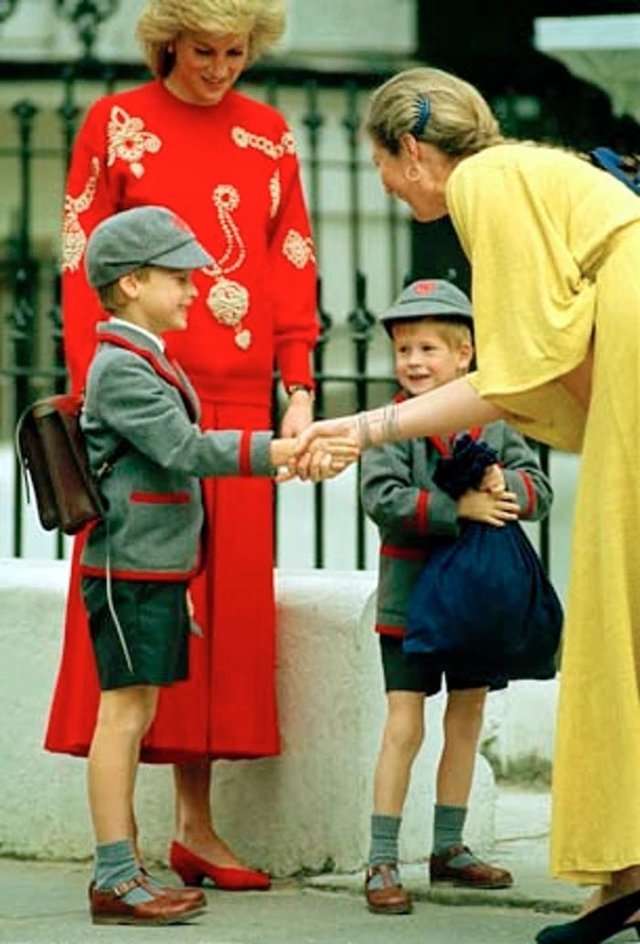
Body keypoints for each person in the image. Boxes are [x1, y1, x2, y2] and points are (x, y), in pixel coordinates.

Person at [295, 67, 640, 943]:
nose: (381, 181)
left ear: (413, 150)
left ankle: (626, 871)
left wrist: (362, 427)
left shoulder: (483, 184)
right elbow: (532, 374)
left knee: (618, 617)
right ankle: (625, 871)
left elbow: (509, 377)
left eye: (382, 162)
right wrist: (369, 428)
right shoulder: (528, 171)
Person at [46, 0, 319, 890]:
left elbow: (292, 257)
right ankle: (122, 849)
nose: (221, 67)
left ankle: (198, 828)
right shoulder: (114, 122)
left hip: (238, 398)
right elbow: (82, 255)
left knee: (222, 626)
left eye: (237, 52)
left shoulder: (272, 133)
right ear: (170, 41)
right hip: (143, 405)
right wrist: (96, 391)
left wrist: (299, 383)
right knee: (146, 605)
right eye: (204, 50)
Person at [79, 205, 352, 925]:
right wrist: (282, 452)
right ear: (132, 282)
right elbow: (184, 449)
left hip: (152, 568)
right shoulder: (123, 369)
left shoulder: (141, 358)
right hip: (130, 571)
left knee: (134, 714)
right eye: (179, 278)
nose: (196, 290)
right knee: (123, 717)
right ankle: (115, 876)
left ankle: (124, 873)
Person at [361, 278, 553, 915]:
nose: (413, 362)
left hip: (475, 604)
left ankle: (450, 847)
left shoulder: (493, 418)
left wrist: (504, 491)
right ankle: (382, 858)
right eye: (403, 351)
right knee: (404, 725)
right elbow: (381, 499)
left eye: (428, 350)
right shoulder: (388, 425)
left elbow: (538, 489)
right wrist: (456, 507)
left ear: (466, 354)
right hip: (409, 602)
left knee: (466, 720)